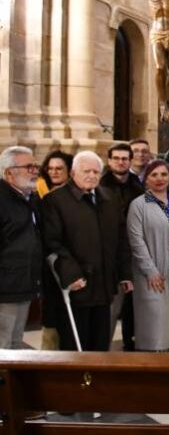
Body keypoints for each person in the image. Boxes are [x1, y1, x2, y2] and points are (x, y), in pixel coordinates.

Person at [41, 151, 132, 351]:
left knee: (100, 345)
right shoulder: (55, 200)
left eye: (96, 172)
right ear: (73, 173)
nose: (92, 175)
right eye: (86, 171)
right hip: (76, 286)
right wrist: (71, 274)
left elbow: (121, 239)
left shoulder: (110, 198)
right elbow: (52, 243)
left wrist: (125, 273)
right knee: (75, 346)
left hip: (103, 285)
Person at [127, 160, 169, 352]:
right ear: (146, 179)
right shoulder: (138, 205)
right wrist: (150, 271)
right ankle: (155, 363)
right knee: (156, 322)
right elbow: (136, 241)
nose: (159, 179)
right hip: (153, 269)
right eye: (154, 175)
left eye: (164, 174)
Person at [101, 143, 144, 351]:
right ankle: (102, 352)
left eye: (125, 158)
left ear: (130, 161)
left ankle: (131, 345)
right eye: (116, 158)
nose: (120, 162)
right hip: (110, 253)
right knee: (110, 309)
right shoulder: (100, 186)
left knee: (134, 306)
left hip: (134, 251)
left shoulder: (138, 187)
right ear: (109, 161)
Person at [0, 147, 42, 349]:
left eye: (35, 166)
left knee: (16, 343)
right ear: (9, 173)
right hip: (5, 288)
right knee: (3, 344)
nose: (35, 171)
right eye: (29, 167)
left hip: (24, 283)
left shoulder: (30, 197)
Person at [35, 150, 73, 350]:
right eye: (50, 169)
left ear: (69, 170)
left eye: (59, 168)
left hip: (71, 265)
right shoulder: (40, 197)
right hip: (49, 267)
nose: (54, 172)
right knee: (51, 321)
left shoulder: (74, 197)